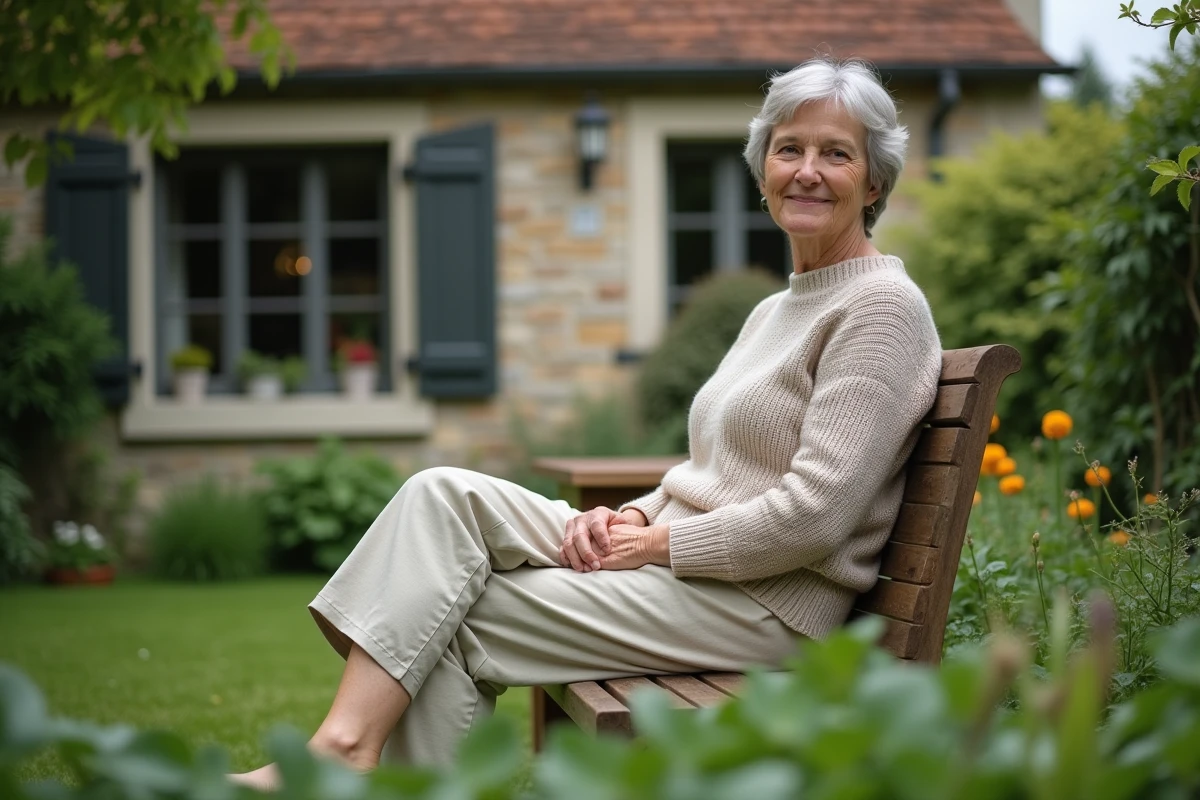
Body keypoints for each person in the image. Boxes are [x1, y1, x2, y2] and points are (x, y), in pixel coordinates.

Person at [231, 56, 941, 789]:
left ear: (875, 181)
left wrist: (656, 543)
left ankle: (339, 757)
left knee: (454, 613)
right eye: (789, 149)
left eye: (836, 153)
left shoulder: (880, 309)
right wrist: (622, 519)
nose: (807, 170)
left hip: (765, 604)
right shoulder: (775, 308)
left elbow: (815, 518)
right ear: (763, 169)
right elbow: (713, 474)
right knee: (441, 495)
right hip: (696, 569)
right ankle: (340, 754)